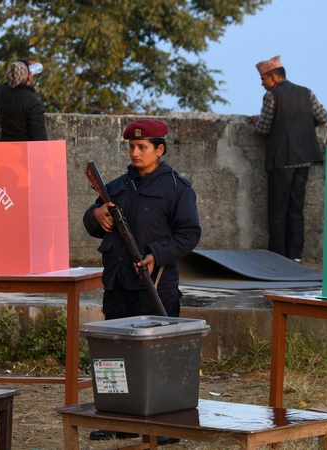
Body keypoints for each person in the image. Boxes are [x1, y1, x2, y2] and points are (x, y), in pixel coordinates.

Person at [82, 118, 201, 445]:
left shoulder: (177, 188)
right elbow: (92, 220)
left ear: (158, 150)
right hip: (118, 283)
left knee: (158, 357)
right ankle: (117, 419)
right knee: (114, 357)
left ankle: (166, 425)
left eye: (142, 147)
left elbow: (189, 234)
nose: (135, 152)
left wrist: (156, 254)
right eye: (132, 147)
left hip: (156, 283)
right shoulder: (117, 186)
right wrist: (95, 216)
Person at [251, 55, 327, 264]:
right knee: (296, 208)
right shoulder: (306, 92)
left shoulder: (272, 96)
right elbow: (323, 117)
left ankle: (276, 255)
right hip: (304, 158)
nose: (262, 84)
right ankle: (295, 256)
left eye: (263, 79)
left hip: (282, 159)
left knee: (278, 209)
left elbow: (264, 128)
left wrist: (256, 122)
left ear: (273, 77)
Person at [0, 60, 48, 141]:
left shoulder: (2, 93)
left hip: (5, 150)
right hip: (25, 151)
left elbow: (9, 80)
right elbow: (39, 137)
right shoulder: (33, 102)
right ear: (29, 77)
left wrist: (21, 65)